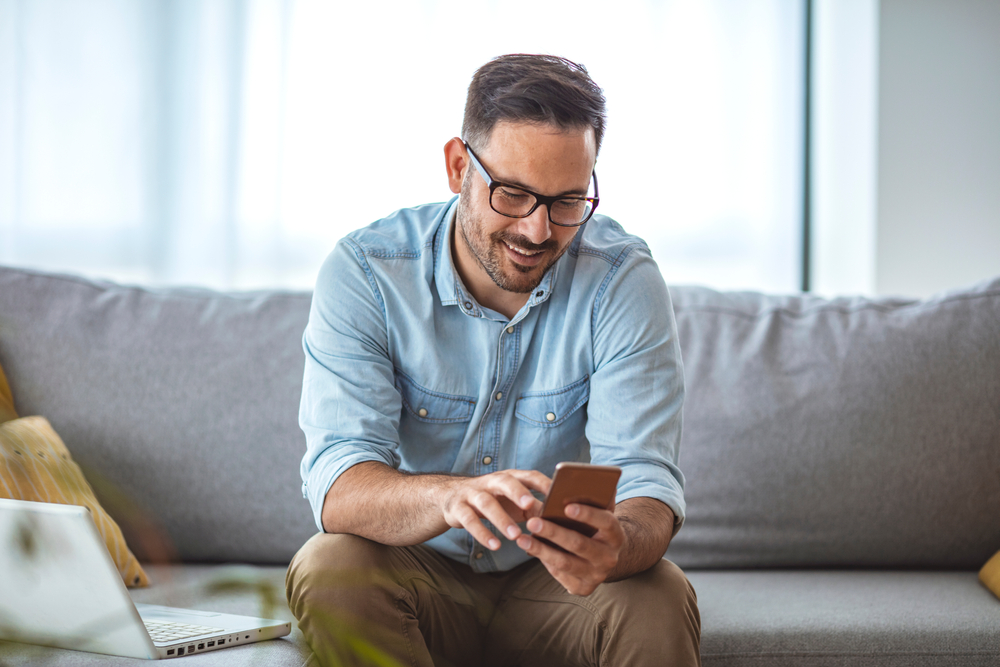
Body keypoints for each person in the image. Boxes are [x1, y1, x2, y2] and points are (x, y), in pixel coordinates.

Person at [286, 54, 701, 667]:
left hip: (556, 588)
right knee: (329, 566)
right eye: (513, 194)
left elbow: (644, 482)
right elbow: (339, 483)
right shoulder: (367, 273)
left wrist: (622, 541)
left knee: (658, 591)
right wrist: (451, 497)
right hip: (419, 571)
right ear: (459, 167)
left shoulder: (621, 280)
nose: (538, 231)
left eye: (566, 202)